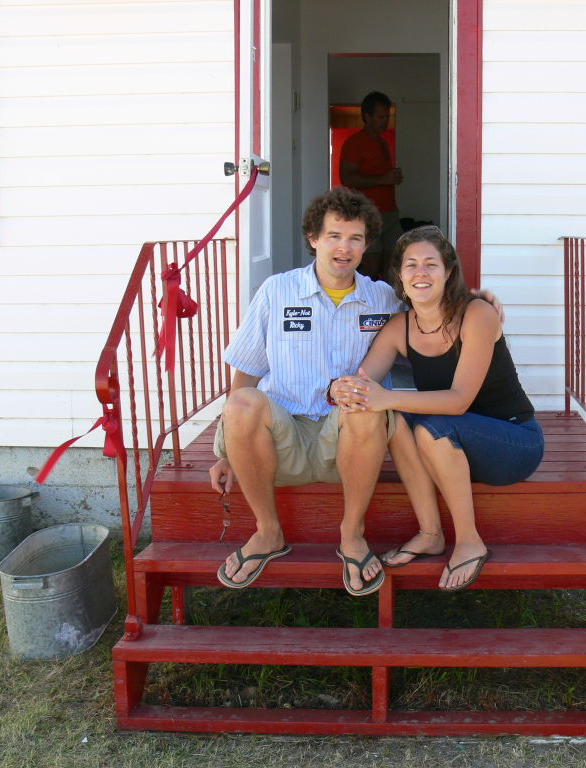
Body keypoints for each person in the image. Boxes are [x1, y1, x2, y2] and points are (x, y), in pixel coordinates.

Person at [209, 189, 500, 597]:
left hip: (347, 445)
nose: (344, 249)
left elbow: (432, 310)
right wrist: (227, 452)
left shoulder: (383, 298)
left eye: (355, 239)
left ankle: (352, 534)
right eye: (334, 236)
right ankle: (268, 531)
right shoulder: (276, 292)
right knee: (241, 402)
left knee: (366, 403)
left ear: (366, 245)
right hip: (282, 439)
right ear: (314, 238)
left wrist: (476, 303)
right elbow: (246, 371)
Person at [331, 226, 544, 591]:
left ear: (448, 272)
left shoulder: (477, 314)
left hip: (512, 442)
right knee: (395, 421)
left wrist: (387, 397)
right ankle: (431, 534)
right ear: (400, 276)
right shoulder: (400, 327)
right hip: (452, 447)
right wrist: (342, 389)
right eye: (411, 265)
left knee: (431, 426)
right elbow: (365, 383)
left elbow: (459, 400)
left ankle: (470, 541)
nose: (421, 272)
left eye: (431, 264)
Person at [339, 91, 403, 281]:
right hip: (367, 214)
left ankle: (388, 300)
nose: (385, 121)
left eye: (387, 117)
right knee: (371, 267)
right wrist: (383, 179)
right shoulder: (355, 143)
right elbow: (347, 178)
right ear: (367, 117)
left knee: (394, 265)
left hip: (390, 213)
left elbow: (381, 175)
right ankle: (360, 299)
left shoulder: (382, 142)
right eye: (381, 117)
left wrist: (391, 178)